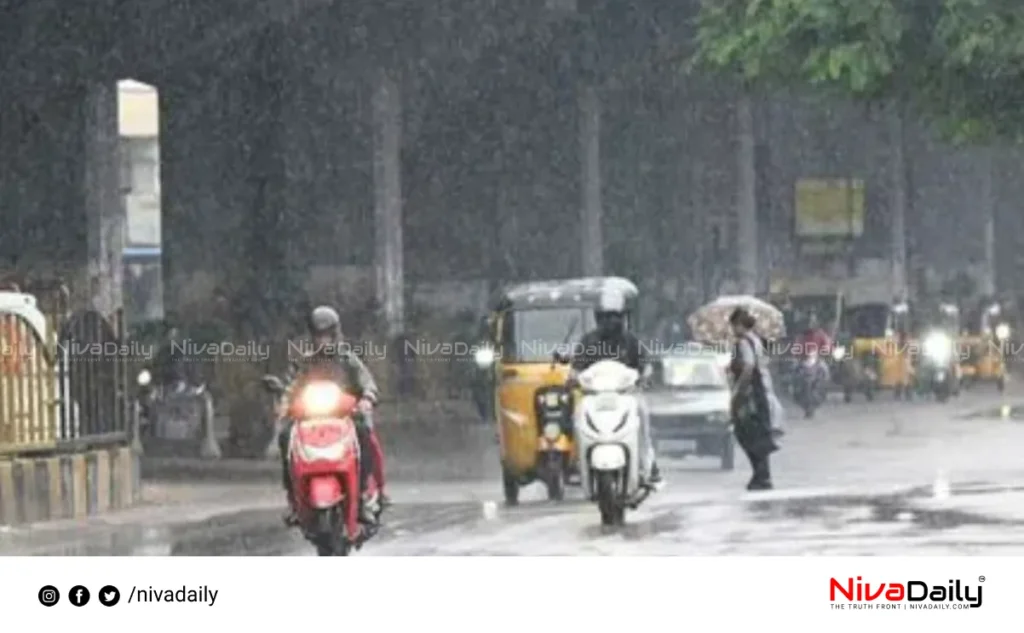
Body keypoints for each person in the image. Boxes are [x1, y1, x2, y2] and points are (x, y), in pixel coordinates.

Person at [277, 305, 389, 527]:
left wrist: (367, 397)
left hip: (345, 418)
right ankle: (294, 499)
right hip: (311, 419)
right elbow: (292, 385)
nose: (323, 341)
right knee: (286, 436)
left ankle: (362, 495)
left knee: (364, 434)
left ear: (336, 334)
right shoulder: (305, 362)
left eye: (328, 335)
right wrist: (285, 402)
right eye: (319, 336)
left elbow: (367, 381)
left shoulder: (348, 360)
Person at [571, 288, 661, 485]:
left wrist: (644, 378)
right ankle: (577, 461)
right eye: (605, 317)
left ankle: (648, 462)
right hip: (594, 398)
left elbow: (646, 364)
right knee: (577, 415)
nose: (611, 322)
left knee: (643, 413)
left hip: (626, 395)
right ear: (598, 318)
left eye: (615, 317)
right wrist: (573, 379)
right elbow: (576, 367)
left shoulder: (630, 341)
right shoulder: (588, 342)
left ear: (623, 317)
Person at [728, 308, 780, 491]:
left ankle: (761, 475)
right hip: (762, 392)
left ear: (740, 325)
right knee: (758, 434)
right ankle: (761, 475)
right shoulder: (756, 339)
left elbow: (748, 367)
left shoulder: (743, 342)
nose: (732, 329)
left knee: (746, 433)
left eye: (734, 325)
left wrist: (738, 391)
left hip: (751, 394)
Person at [794, 312, 832, 384]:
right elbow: (797, 346)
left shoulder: (820, 333)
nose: (810, 323)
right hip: (803, 359)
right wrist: (798, 354)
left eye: (812, 321)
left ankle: (824, 387)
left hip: (816, 358)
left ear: (816, 322)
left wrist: (826, 350)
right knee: (794, 369)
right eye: (809, 321)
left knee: (825, 370)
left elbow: (827, 344)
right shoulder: (802, 335)